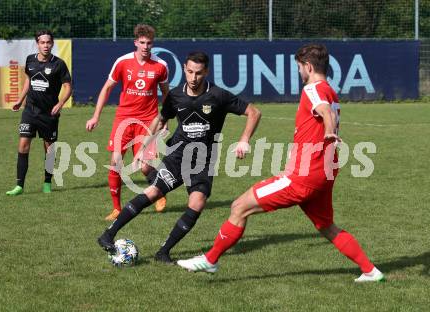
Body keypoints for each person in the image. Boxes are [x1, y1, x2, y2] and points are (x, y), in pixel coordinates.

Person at [177, 44, 385, 283]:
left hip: (303, 178)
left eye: (299, 67)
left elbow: (325, 112)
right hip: (323, 175)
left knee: (239, 207)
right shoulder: (329, 89)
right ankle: (370, 270)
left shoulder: (313, 89)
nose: (299, 72)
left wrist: (328, 130)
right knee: (326, 225)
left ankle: (210, 260)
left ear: (308, 66)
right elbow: (326, 110)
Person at [97, 51, 262, 264]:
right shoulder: (175, 95)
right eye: (190, 72)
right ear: (184, 68)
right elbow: (160, 119)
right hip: (177, 156)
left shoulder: (218, 95)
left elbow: (254, 112)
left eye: (199, 73)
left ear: (207, 72)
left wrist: (244, 139)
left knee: (197, 202)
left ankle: (163, 252)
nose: (194, 78)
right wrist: (142, 148)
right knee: (153, 192)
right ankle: (108, 235)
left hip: (203, 160)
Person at [86, 24, 169, 220]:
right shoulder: (122, 62)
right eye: (142, 43)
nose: (146, 46)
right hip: (123, 119)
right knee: (115, 162)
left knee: (145, 167)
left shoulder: (161, 65)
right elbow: (107, 88)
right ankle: (116, 208)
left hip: (148, 120)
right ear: (136, 43)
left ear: (152, 44)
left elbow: (166, 94)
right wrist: (96, 116)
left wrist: (164, 119)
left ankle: (160, 193)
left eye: (149, 43)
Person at [6, 30, 72, 196]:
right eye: (42, 42)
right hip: (30, 110)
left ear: (52, 43)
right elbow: (29, 79)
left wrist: (60, 103)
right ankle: (19, 186)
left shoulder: (59, 64)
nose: (46, 45)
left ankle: (47, 183)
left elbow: (68, 87)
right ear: (37, 44)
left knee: (49, 149)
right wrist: (20, 100)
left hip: (49, 113)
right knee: (23, 145)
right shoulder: (30, 60)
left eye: (48, 42)